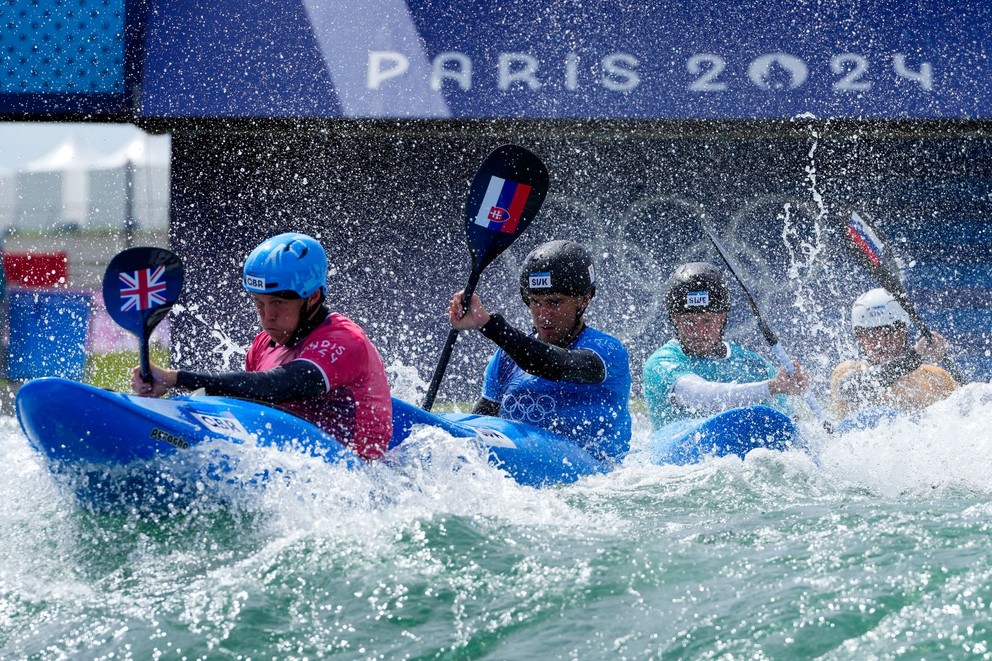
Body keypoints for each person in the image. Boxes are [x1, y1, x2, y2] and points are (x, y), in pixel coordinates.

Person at [132, 232, 393, 460]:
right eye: (259, 303)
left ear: (312, 297)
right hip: (292, 463)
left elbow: (275, 386)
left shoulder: (346, 342)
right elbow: (244, 405)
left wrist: (176, 377)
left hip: (357, 478)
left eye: (278, 303)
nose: (267, 317)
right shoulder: (263, 345)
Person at [446, 240, 632, 465]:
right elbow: (481, 421)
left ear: (584, 300)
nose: (543, 314)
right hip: (524, 466)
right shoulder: (506, 357)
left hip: (595, 474)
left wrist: (488, 324)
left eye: (555, 302)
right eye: (535, 302)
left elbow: (555, 365)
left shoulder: (607, 351)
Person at [642, 262, 809, 430]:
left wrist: (792, 385)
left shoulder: (752, 364)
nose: (699, 331)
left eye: (708, 321)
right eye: (689, 321)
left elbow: (791, 420)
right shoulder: (660, 364)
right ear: (675, 320)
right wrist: (773, 387)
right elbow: (705, 397)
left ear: (722, 319)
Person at [830, 287, 957, 418]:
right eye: (870, 335)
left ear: (904, 332)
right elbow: (854, 390)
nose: (881, 343)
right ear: (859, 338)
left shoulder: (935, 377)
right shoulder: (847, 370)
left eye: (888, 332)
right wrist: (914, 357)